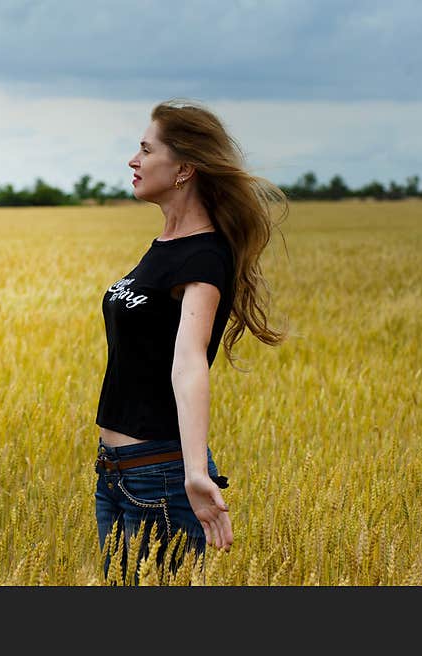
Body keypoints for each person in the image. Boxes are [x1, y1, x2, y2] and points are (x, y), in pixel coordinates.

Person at [94, 99, 288, 583]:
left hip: (158, 476)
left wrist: (195, 471)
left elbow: (189, 363)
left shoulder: (203, 257)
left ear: (183, 168)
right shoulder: (165, 246)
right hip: (117, 475)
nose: (132, 160)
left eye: (145, 149)